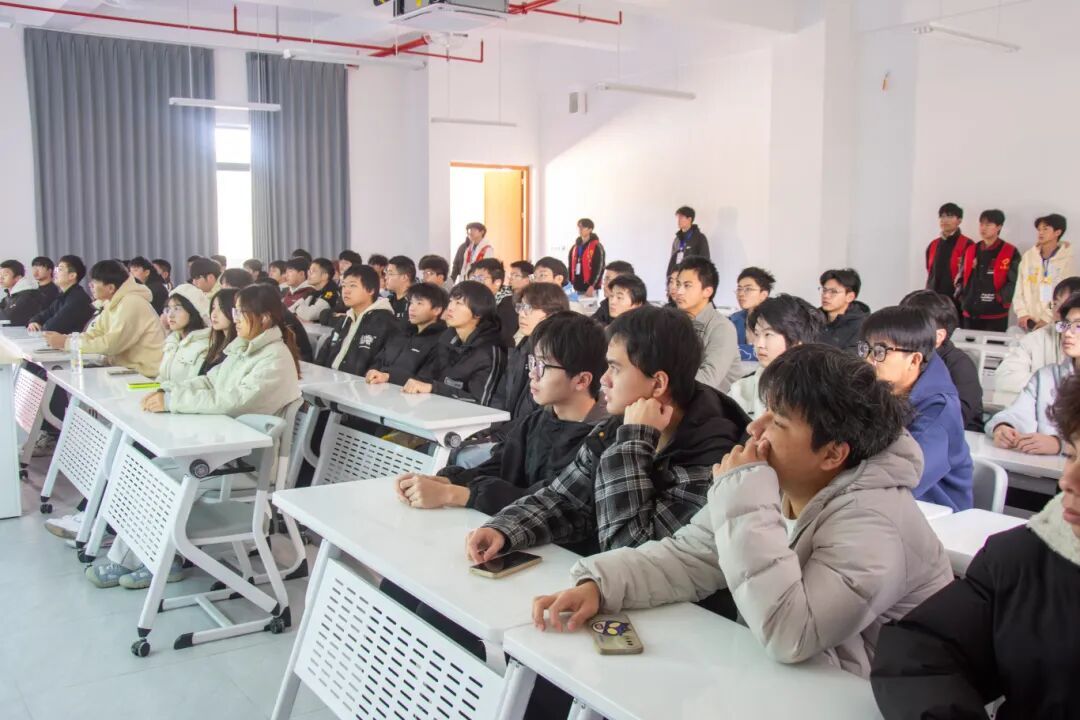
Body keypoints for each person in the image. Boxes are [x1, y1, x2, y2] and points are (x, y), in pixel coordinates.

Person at [534, 344, 952, 679]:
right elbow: (691, 555)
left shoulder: (875, 520)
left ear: (833, 454)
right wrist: (601, 585)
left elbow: (792, 633)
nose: (754, 428)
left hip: (863, 698)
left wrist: (744, 492)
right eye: (763, 411)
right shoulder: (787, 481)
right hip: (783, 683)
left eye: (779, 422)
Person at [467, 305, 750, 561]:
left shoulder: (712, 458)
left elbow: (630, 552)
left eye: (614, 368)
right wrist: (504, 529)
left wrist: (634, 440)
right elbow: (564, 498)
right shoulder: (615, 427)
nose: (603, 379)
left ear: (658, 384)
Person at [871, 374, 1080, 719]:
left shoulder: (938, 404)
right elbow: (919, 653)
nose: (1067, 480)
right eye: (1071, 455)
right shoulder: (1024, 559)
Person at [395, 311, 608, 513]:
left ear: (582, 380)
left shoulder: (600, 443)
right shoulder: (535, 422)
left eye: (543, 366)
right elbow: (500, 465)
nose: (532, 374)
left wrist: (454, 494)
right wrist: (447, 481)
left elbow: (548, 504)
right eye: (533, 362)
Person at [860, 306, 974, 511]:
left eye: (879, 352)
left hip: (937, 515)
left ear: (914, 360)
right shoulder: (877, 389)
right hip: (886, 506)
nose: (868, 360)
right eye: (865, 349)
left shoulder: (940, 410)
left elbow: (903, 477)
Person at [142, 283, 301, 417]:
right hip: (228, 431)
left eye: (241, 312)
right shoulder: (242, 348)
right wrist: (168, 390)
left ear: (264, 318)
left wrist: (174, 401)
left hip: (250, 440)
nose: (235, 319)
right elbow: (210, 381)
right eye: (235, 312)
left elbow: (237, 402)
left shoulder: (275, 357)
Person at [986, 293, 1080, 457]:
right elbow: (1019, 412)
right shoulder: (1047, 376)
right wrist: (1003, 427)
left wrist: (1060, 445)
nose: (1068, 333)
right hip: (1040, 468)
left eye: (1078, 326)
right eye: (1065, 325)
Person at [43, 260, 164, 377]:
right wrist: (67, 339)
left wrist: (67, 343)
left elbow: (111, 345)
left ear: (110, 288)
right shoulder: (111, 302)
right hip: (124, 369)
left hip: (144, 375)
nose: (90, 285)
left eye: (95, 282)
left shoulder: (131, 303)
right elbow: (95, 333)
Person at [404, 281, 506, 406]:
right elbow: (426, 377)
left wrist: (434, 388)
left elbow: (480, 401)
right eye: (451, 301)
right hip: (436, 409)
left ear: (478, 313)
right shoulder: (447, 339)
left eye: (459, 303)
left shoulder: (490, 351)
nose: (450, 308)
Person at [900, 290, 984, 431]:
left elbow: (955, 419)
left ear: (939, 336)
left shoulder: (960, 364)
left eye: (912, 326)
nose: (900, 331)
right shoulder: (900, 357)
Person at [992, 276, 1080, 406]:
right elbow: (1005, 377)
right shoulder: (1036, 338)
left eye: (1065, 305)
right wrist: (1050, 385)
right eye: (1055, 304)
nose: (1057, 311)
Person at [729, 294, 822, 418]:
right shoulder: (741, 389)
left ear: (797, 341)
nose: (758, 344)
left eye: (768, 334)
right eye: (757, 334)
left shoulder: (819, 391)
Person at [493, 282, 571, 427]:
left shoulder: (559, 355)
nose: (522, 314)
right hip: (509, 431)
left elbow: (541, 413)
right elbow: (501, 395)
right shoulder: (523, 346)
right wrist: (492, 428)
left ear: (552, 313)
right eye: (521, 307)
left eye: (529, 308)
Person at [672, 257, 744, 393]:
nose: (679, 291)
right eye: (678, 284)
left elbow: (708, 378)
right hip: (685, 397)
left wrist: (667, 390)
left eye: (687, 285)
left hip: (718, 401)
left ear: (707, 291)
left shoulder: (722, 327)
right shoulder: (675, 322)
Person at [314, 265, 400, 376]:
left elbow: (381, 364)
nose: (346, 291)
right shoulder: (347, 318)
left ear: (371, 290)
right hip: (330, 379)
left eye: (353, 286)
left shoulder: (386, 322)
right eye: (343, 286)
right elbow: (324, 353)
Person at [366, 282, 448, 386]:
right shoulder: (400, 332)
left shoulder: (442, 341)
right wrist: (373, 372)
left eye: (419, 303)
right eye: (411, 303)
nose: (412, 308)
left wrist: (389, 376)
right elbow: (379, 360)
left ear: (437, 310)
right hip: (375, 388)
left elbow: (426, 378)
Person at [956, 209, 1021, 332]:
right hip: (970, 313)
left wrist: (999, 298)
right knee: (967, 344)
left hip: (995, 314)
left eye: (988, 224)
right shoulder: (971, 250)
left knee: (994, 343)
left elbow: (1015, 281)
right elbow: (960, 277)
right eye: (981, 224)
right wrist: (963, 297)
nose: (983, 228)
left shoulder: (1010, 251)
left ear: (999, 227)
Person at [1013, 213, 1073, 331]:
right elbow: (1019, 288)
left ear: (1057, 232)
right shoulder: (1029, 256)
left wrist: (1047, 317)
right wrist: (1022, 313)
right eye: (1039, 229)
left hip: (1054, 322)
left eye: (1045, 229)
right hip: (1028, 321)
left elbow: (1066, 294)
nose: (1041, 233)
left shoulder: (1067, 259)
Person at [157, 284, 211, 383]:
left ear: (193, 311)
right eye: (168, 309)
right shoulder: (173, 341)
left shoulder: (204, 347)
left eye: (177, 308)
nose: (170, 315)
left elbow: (194, 385)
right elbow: (162, 377)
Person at [28, 255, 94, 334]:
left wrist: (38, 326)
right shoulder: (63, 295)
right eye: (56, 269)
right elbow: (45, 314)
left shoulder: (77, 299)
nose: (55, 272)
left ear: (72, 275)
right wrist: (33, 322)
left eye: (60, 269)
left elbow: (51, 327)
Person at [925, 202, 972, 302]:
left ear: (959, 220)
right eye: (942, 216)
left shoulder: (968, 244)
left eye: (950, 216)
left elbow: (971, 276)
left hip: (957, 300)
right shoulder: (933, 245)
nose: (945, 220)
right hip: (933, 300)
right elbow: (930, 271)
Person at [817, 268, 868, 353]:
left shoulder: (862, 326)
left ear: (850, 297)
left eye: (833, 292)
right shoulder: (812, 319)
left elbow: (851, 359)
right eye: (824, 290)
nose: (825, 295)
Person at [730, 267, 776, 360]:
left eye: (748, 289)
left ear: (763, 295)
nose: (741, 294)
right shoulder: (733, 320)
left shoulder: (776, 320)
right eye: (739, 289)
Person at [471, 258, 518, 348]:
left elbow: (504, 337)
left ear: (497, 283)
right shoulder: (480, 299)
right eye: (474, 278)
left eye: (481, 278)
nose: (475, 282)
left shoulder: (508, 303)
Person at [199, 289, 238, 375]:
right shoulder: (216, 346)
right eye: (213, 308)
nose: (214, 314)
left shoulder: (237, 349)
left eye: (221, 308)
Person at [293, 257, 340, 323]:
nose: (309, 274)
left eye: (313, 271)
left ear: (325, 276)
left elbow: (310, 315)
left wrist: (297, 308)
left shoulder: (331, 292)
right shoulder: (314, 291)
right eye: (309, 271)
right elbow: (291, 310)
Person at [667, 205, 710, 277]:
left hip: (692, 277)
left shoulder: (700, 238)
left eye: (681, 217)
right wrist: (669, 276)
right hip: (678, 277)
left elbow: (705, 262)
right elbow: (672, 261)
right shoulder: (677, 240)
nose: (678, 221)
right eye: (678, 218)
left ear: (689, 219)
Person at [567, 218, 606, 297]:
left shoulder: (597, 246)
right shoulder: (574, 247)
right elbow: (570, 267)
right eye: (579, 227)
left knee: (589, 305)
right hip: (576, 286)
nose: (580, 229)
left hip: (589, 287)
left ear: (590, 229)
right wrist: (569, 284)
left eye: (583, 227)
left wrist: (592, 286)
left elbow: (599, 267)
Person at [0, 259, 44, 327]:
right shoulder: (9, 297)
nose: (1, 278)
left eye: (5, 275)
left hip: (28, 333)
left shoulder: (28, 295)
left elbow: (9, 319)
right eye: (0, 274)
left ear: (18, 277)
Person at [590, 261, 634, 325]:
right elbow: (591, 322)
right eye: (605, 279)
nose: (603, 283)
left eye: (608, 279)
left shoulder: (640, 315)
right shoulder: (606, 303)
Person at [384, 256, 416, 321]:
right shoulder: (388, 301)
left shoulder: (415, 302)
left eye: (390, 274)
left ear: (404, 277)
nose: (386, 277)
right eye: (386, 273)